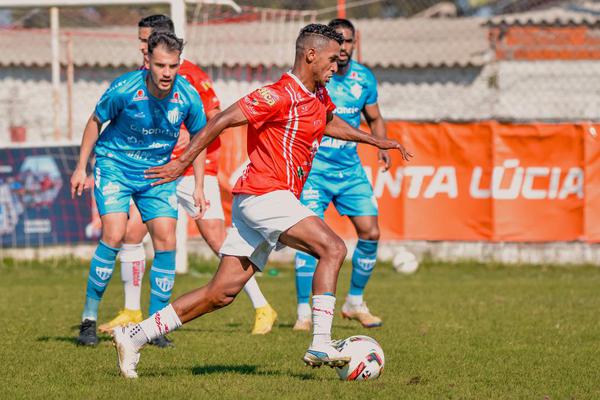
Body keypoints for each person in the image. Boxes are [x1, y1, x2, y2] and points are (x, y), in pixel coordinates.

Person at [111, 23, 412, 379]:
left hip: (263, 199)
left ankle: (135, 336)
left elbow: (329, 122)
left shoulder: (317, 95)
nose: (337, 64)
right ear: (310, 55)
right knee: (333, 247)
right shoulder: (278, 94)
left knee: (220, 294)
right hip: (264, 194)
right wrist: (181, 161)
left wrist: (375, 141)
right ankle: (321, 341)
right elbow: (222, 119)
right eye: (331, 59)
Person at [97, 15, 277, 345]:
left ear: (161, 40)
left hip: (197, 168)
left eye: (144, 39)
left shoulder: (189, 75)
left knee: (218, 241)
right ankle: (133, 311)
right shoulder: (140, 77)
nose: (140, 46)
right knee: (132, 233)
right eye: (140, 41)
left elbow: (212, 119)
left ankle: (262, 307)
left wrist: (190, 158)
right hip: (156, 171)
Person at [71, 30, 207, 347]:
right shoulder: (125, 89)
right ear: (148, 61)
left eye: (173, 66)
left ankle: (154, 327)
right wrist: (81, 166)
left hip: (156, 173)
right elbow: (95, 121)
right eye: (161, 65)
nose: (167, 73)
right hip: (115, 166)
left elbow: (201, 139)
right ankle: (88, 320)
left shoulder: (187, 95)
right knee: (115, 234)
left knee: (166, 239)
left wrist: (199, 185)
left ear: (179, 63)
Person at [293, 18, 390, 331]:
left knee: (371, 232)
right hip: (315, 171)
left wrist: (381, 146)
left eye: (348, 41)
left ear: (355, 43)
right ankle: (303, 313)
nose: (344, 48)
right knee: (311, 239)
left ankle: (354, 301)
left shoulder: (364, 78)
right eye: (339, 42)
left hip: (349, 170)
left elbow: (374, 117)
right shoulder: (321, 75)